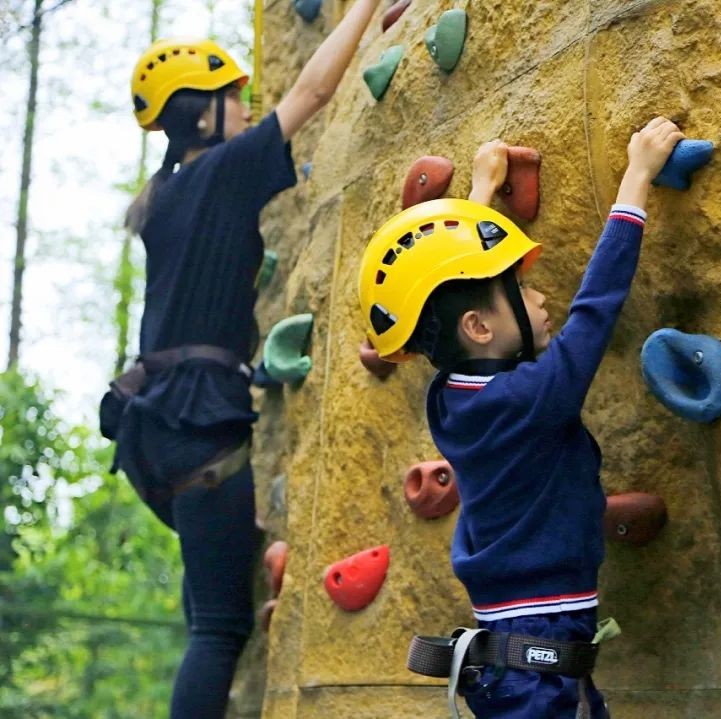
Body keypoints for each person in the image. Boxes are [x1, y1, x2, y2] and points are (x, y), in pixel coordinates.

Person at [102, 3, 380, 716]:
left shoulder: (160, 197)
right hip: (200, 427)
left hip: (154, 428)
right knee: (221, 628)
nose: (244, 106)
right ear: (199, 116)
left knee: (208, 617)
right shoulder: (220, 175)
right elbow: (312, 92)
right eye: (232, 97)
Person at [358, 118, 685, 718]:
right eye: (518, 289)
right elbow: (595, 311)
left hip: (521, 657)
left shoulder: (448, 399)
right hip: (539, 668)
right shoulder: (529, 399)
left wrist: (480, 195)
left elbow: (447, 288)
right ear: (479, 327)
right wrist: (637, 177)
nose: (539, 297)